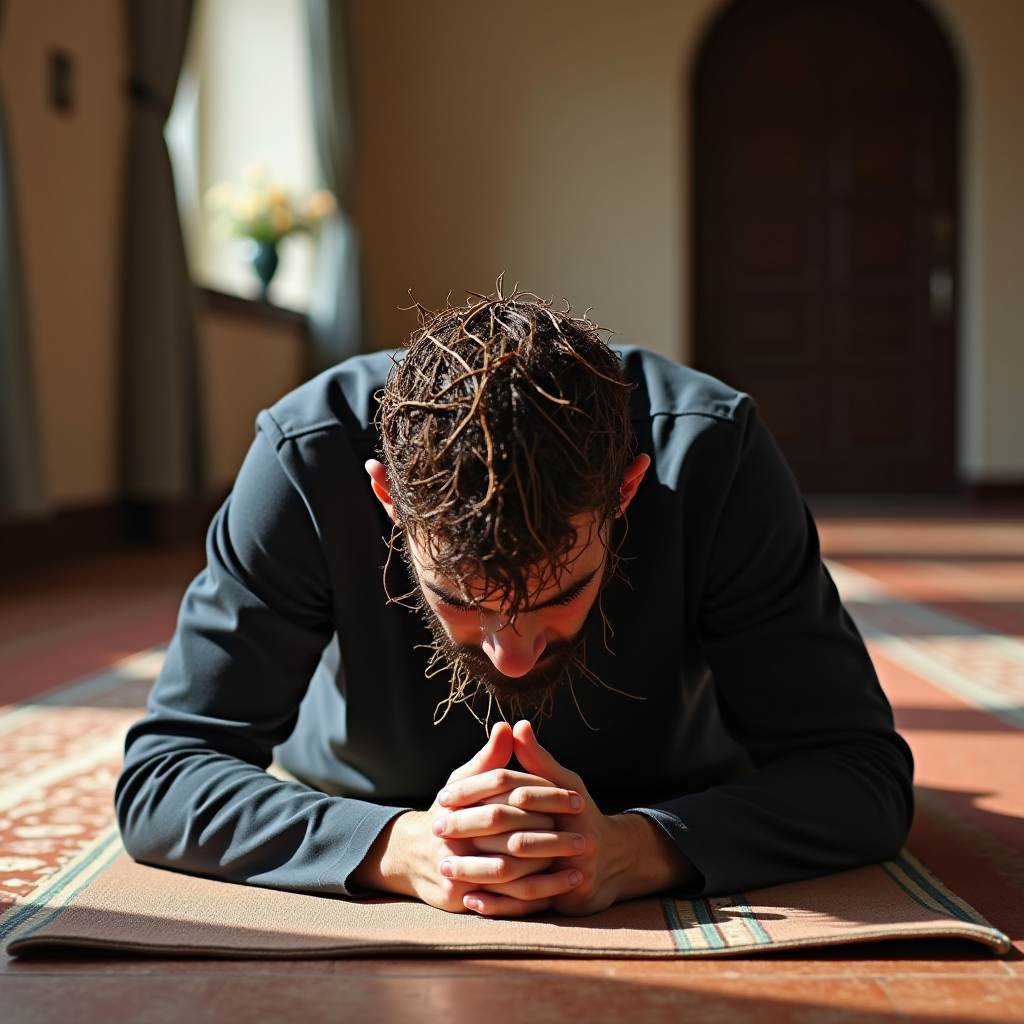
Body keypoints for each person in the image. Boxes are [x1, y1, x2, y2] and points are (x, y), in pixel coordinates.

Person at [116, 287, 914, 918]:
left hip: (675, 786)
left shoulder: (714, 456)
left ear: (628, 490)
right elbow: (164, 776)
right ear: (388, 499)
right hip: (359, 791)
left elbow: (861, 772)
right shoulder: (305, 455)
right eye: (461, 602)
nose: (512, 652)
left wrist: (639, 849)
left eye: (560, 594)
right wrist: (399, 849)